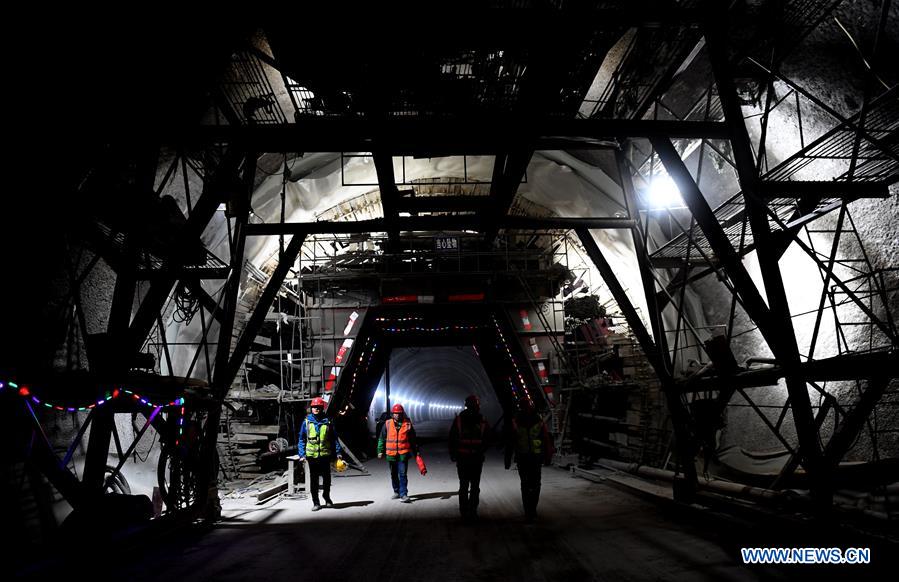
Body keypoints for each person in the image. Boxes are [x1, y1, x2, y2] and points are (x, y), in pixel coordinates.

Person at [504, 396, 554, 523]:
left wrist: (507, 459)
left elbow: (510, 442)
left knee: (525, 484)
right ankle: (532, 509)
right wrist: (548, 456)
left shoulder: (516, 421)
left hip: (523, 458)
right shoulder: (538, 420)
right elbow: (546, 439)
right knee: (535, 484)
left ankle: (528, 511)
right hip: (535, 458)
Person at [449, 394, 491, 521]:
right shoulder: (482, 420)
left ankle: (464, 512)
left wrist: (453, 454)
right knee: (474, 487)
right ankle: (472, 512)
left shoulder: (459, 420)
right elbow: (488, 439)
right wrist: (482, 450)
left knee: (464, 486)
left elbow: (452, 438)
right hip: (476, 459)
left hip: (462, 459)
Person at [298, 397, 343, 512]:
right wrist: (302, 455)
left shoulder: (328, 422)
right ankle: (316, 502)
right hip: (312, 457)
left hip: (324, 455)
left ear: (322, 408)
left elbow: (334, 439)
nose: (316, 409)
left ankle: (327, 498)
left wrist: (338, 452)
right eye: (314, 407)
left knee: (327, 479)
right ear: (311, 408)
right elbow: (301, 439)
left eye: (318, 407)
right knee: (314, 480)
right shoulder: (306, 422)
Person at [377, 403, 418, 503]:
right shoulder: (387, 424)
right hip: (391, 454)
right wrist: (380, 451)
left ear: (402, 414)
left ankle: (403, 494)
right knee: (394, 474)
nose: (397, 415)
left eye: (399, 413)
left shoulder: (407, 424)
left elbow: (413, 439)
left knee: (403, 474)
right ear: (392, 414)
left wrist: (416, 452)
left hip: (403, 454)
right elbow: (381, 438)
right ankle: (396, 491)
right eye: (395, 413)